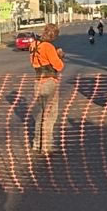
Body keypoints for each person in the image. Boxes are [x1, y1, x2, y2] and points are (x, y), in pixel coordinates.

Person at [30, 23, 65, 155]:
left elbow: (41, 59)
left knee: (39, 114)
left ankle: (36, 143)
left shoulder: (34, 45)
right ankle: (46, 145)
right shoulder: (49, 46)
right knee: (50, 115)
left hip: (37, 82)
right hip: (49, 82)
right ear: (54, 35)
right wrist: (60, 55)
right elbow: (59, 66)